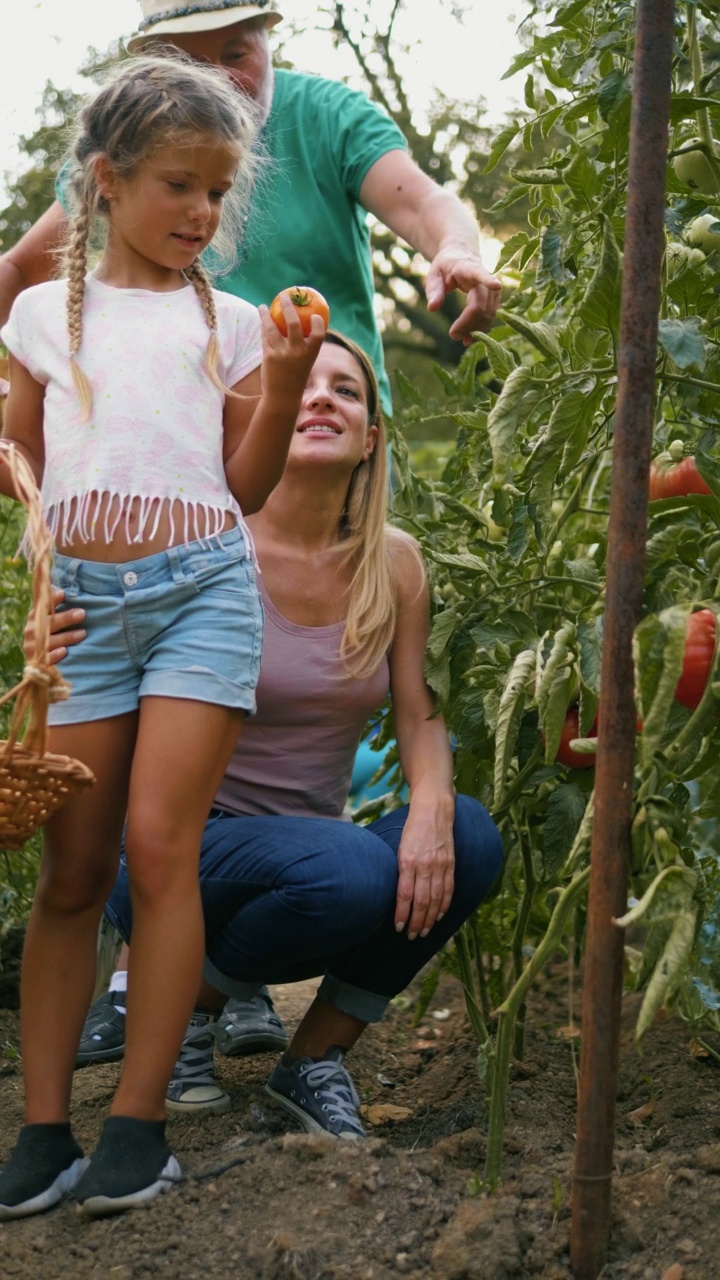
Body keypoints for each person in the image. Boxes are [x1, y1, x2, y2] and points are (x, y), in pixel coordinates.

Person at [0, 55, 325, 1221]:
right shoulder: (39, 313)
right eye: (178, 186)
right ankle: (45, 1129)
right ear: (106, 180)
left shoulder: (233, 323)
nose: (202, 212)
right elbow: (21, 475)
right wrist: (33, 596)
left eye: (218, 192)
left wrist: (283, 383)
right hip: (82, 607)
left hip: (203, 591)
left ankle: (137, 1125)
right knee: (74, 869)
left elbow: (242, 484)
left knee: (159, 846)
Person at [41, 331, 504, 1137]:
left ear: (372, 439)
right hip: (175, 852)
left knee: (470, 837)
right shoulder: (197, 544)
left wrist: (430, 802)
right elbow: (101, 671)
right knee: (351, 871)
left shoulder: (394, 566)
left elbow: (418, 710)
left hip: (307, 861)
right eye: (305, 384)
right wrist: (54, 648)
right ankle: (174, 1002)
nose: (323, 397)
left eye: (348, 391)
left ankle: (310, 1061)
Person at [0, 0, 502, 416]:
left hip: (332, 430)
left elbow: (420, 203)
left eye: (234, 53)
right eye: (186, 62)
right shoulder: (122, 149)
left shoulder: (331, 116)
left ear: (268, 38)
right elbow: (23, 272)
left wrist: (456, 248)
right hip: (187, 442)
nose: (215, 80)